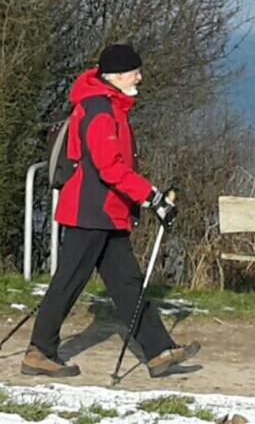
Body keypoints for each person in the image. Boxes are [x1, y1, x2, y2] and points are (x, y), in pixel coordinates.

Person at [23, 44, 201, 378]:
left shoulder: (110, 107)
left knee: (128, 284)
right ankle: (39, 351)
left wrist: (148, 199)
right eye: (135, 71)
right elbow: (110, 168)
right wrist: (153, 198)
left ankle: (159, 351)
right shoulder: (100, 111)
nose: (140, 77)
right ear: (117, 76)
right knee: (69, 282)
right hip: (91, 212)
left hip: (106, 213)